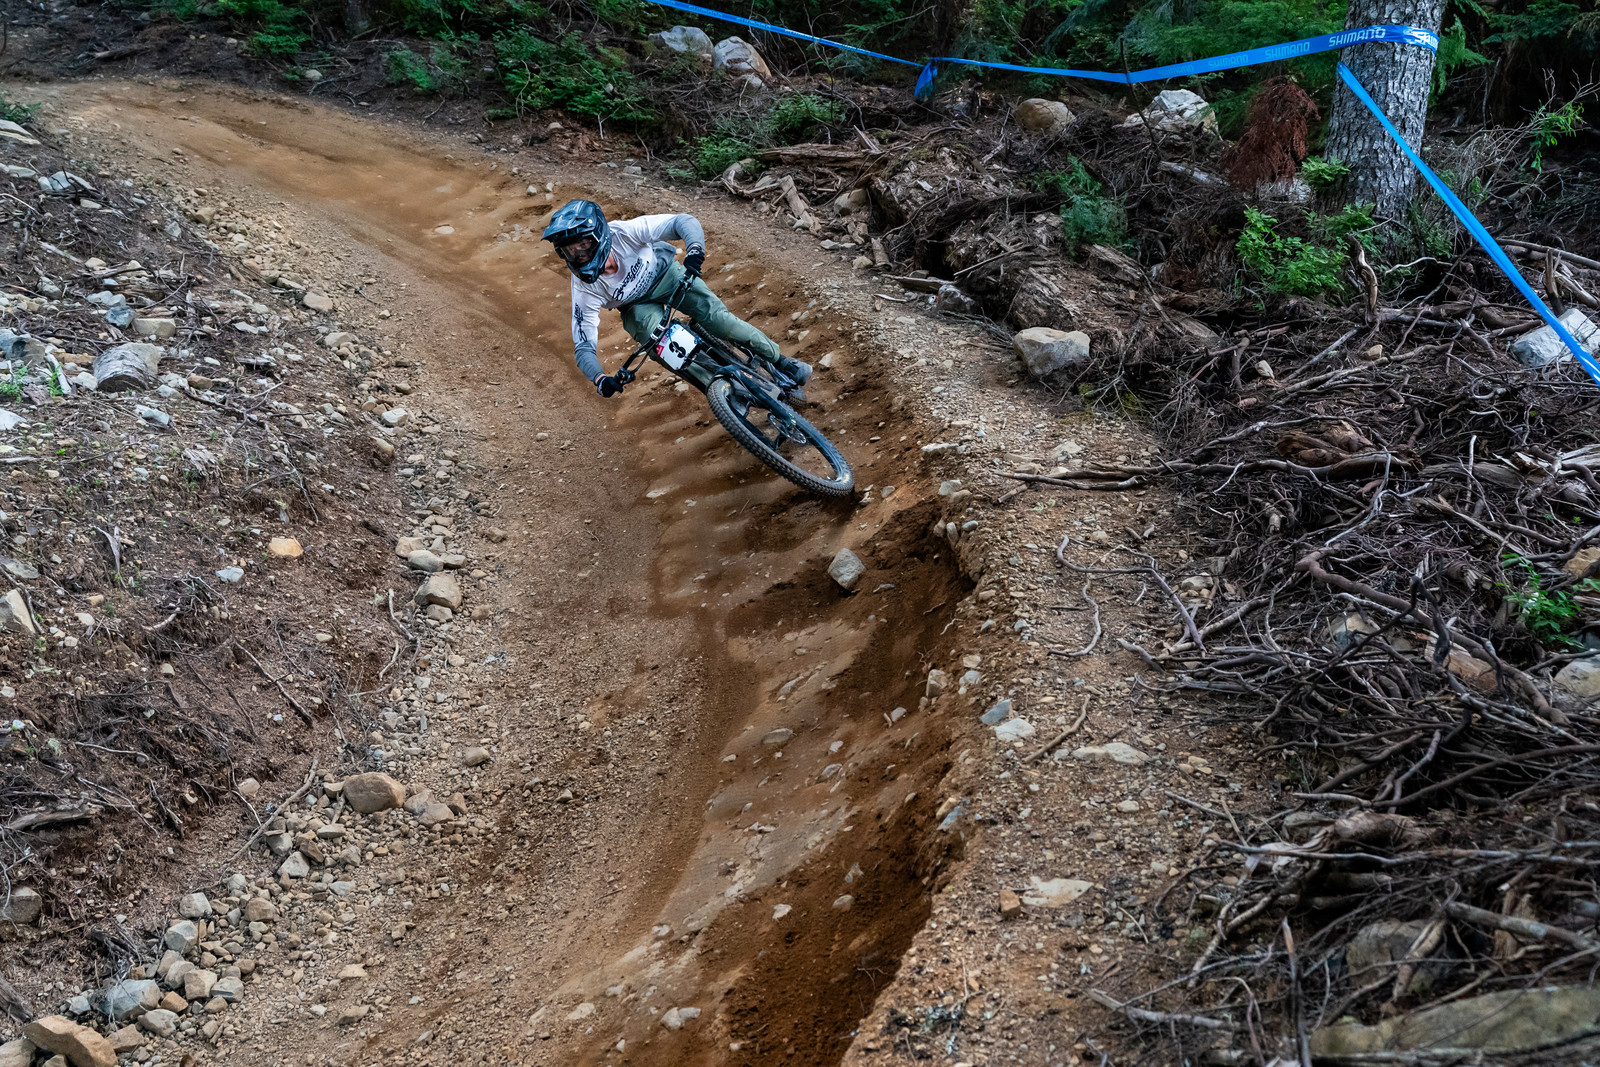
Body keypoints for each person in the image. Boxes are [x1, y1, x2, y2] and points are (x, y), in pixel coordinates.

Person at [542, 199, 811, 400]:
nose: (578, 255)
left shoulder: (624, 233)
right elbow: (584, 346)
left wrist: (695, 250)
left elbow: (683, 221)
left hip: (666, 275)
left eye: (582, 244)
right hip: (636, 307)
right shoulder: (584, 288)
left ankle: (781, 362)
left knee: (719, 320)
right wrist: (600, 379)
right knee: (663, 349)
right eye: (569, 250)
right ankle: (722, 392)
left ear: (600, 234)